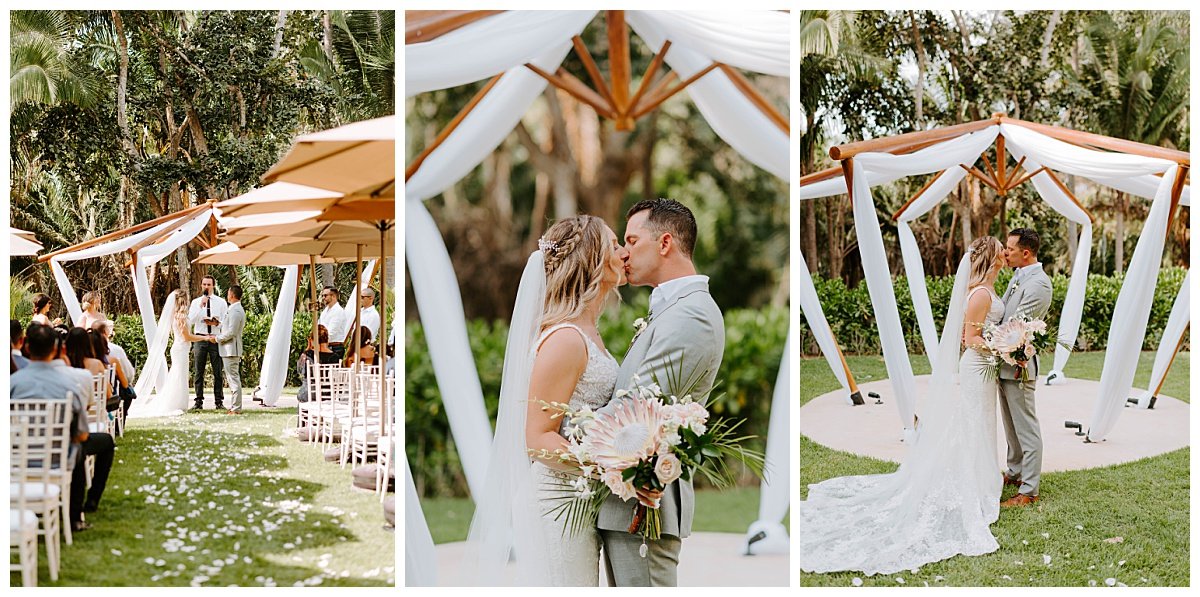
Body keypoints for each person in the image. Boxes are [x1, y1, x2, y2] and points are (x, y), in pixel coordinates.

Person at [798, 236, 1008, 575]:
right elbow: (970, 339)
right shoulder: (981, 293)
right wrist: (1004, 346)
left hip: (981, 370)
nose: (1005, 254)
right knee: (973, 423)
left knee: (979, 423)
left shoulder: (982, 289)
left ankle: (983, 477)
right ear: (991, 257)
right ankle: (976, 483)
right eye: (1001, 250)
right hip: (977, 367)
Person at [465, 214, 628, 586]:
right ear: (592, 259)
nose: (622, 253)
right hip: (555, 502)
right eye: (614, 244)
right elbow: (538, 438)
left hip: (577, 499)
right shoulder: (566, 339)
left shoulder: (585, 331)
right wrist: (614, 467)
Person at [598, 199, 725, 587]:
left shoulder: (693, 315)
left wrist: (558, 428)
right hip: (629, 507)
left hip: (647, 506)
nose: (623, 252)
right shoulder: (673, 310)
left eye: (632, 241)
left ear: (665, 242)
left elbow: (638, 410)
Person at [11, 323, 115, 532]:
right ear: (56, 348)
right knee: (83, 446)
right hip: (58, 459)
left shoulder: (11, 384)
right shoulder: (69, 385)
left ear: (27, 347)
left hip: (15, 459)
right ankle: (76, 514)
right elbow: (82, 435)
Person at [999, 228, 1053, 507]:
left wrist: (984, 333)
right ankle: (1015, 471)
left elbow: (1016, 326)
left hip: (1020, 365)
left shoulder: (1039, 284)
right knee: (1011, 426)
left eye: (1009, 249)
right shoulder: (1018, 278)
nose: (1005, 253)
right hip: (1003, 364)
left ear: (1026, 252)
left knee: (1026, 427)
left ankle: (1029, 489)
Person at [130, 291, 209, 418]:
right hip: (180, 349)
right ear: (184, 300)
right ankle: (174, 403)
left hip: (181, 349)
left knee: (180, 376)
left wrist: (200, 306)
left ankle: (179, 403)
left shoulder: (179, 315)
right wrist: (205, 338)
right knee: (178, 376)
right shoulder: (180, 317)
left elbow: (190, 323)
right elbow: (187, 336)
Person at [187, 275, 228, 410]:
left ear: (213, 286)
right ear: (201, 285)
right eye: (204, 284)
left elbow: (226, 322)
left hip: (215, 338)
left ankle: (219, 401)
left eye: (208, 284)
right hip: (200, 338)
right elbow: (191, 320)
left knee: (217, 371)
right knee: (198, 371)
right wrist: (200, 306)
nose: (206, 287)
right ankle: (198, 401)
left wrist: (217, 323)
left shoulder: (221, 302)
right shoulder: (195, 302)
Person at [214, 285, 247, 414]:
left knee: (233, 379)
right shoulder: (233, 309)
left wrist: (217, 339)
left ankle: (236, 408)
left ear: (232, 295)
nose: (227, 296)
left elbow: (232, 332)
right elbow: (228, 326)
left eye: (228, 293)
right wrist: (218, 324)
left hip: (231, 350)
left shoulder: (236, 310)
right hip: (228, 350)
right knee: (232, 378)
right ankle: (234, 406)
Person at [93, 320, 136, 417]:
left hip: (86, 395)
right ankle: (118, 422)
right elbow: (128, 375)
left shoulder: (82, 355)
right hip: (107, 394)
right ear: (105, 333)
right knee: (127, 391)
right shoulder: (115, 352)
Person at [296, 325, 340, 403]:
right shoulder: (336, 357)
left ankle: (304, 415)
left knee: (302, 396)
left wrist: (307, 349)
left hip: (309, 392)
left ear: (312, 340)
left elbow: (299, 370)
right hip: (329, 394)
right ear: (327, 340)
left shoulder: (308, 355)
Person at [319, 286, 348, 361]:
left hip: (335, 347)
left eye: (325, 295)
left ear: (333, 296)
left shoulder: (338, 311)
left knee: (332, 371)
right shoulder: (325, 311)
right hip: (325, 346)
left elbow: (331, 332)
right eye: (322, 296)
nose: (323, 298)